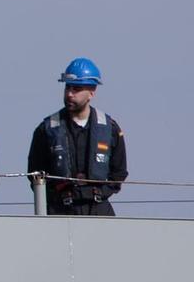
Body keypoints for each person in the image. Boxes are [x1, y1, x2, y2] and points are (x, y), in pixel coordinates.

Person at [26, 57, 128, 216]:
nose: (70, 94)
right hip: (60, 210)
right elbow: (35, 173)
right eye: (67, 88)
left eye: (77, 89)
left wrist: (101, 192)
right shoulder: (46, 130)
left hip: (98, 209)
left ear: (91, 93)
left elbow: (119, 172)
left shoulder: (110, 130)